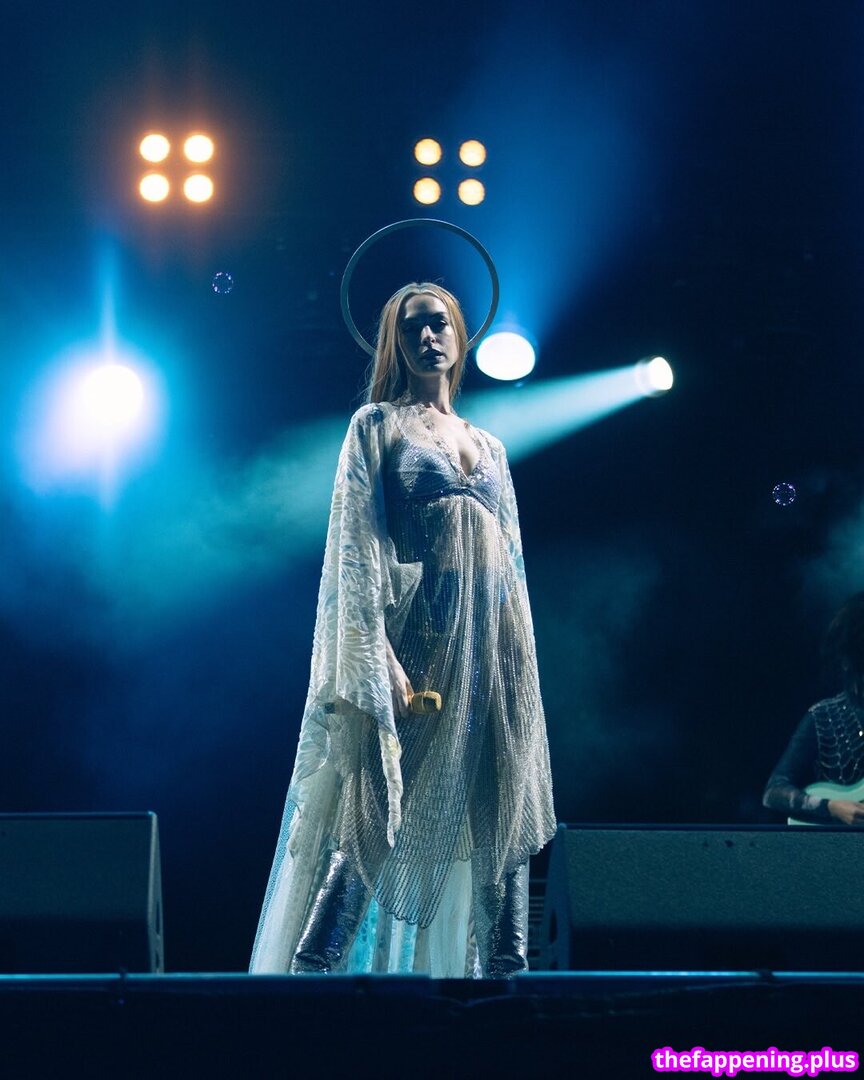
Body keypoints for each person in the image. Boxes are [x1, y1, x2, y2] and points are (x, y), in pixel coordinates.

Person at [249, 282, 556, 977]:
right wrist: (375, 653)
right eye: (413, 327)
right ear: (395, 342)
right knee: (373, 813)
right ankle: (311, 974)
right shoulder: (377, 426)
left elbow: (511, 565)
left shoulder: (490, 445)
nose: (428, 336)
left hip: (492, 653)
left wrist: (520, 670)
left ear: (459, 335)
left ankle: (505, 983)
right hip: (417, 642)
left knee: (502, 812)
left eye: (439, 323)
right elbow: (354, 547)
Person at [763, 592, 864, 826]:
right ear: (848, 661)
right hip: (837, 845)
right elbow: (773, 791)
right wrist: (831, 807)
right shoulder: (824, 715)